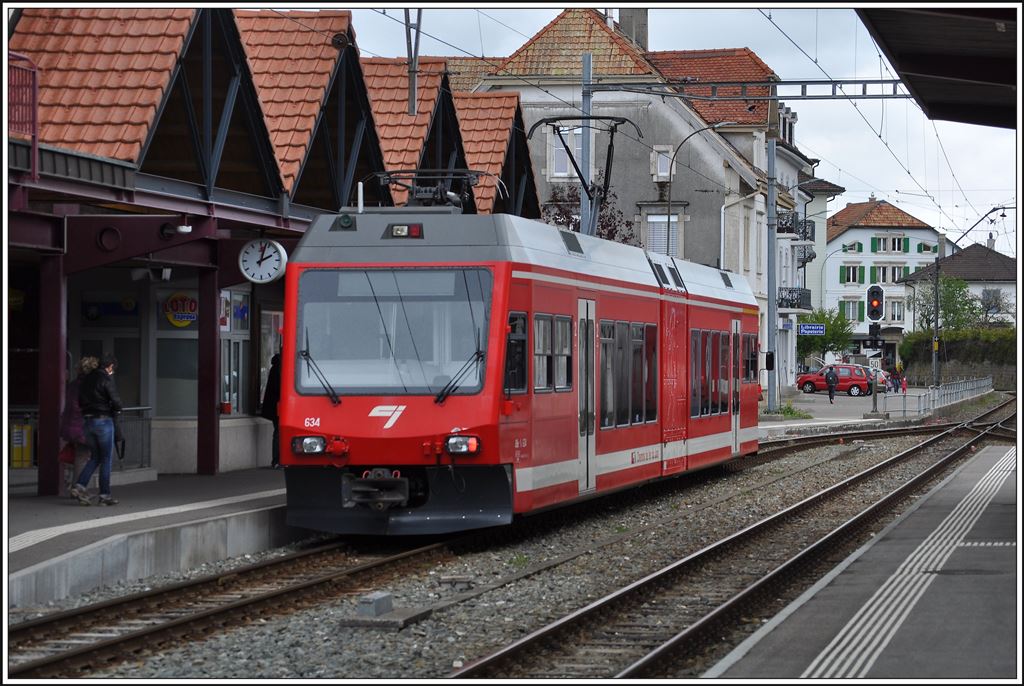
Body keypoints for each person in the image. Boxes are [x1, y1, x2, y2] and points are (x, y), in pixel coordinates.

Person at [70, 353, 123, 506]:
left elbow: (80, 401)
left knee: (95, 457)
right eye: (113, 369)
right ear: (110, 366)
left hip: (87, 422)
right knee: (106, 459)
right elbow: (116, 400)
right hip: (103, 421)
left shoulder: (85, 379)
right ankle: (105, 496)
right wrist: (117, 409)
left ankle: (80, 486)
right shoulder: (106, 378)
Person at [60, 356, 99, 494]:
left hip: (70, 425)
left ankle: (74, 485)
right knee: (82, 457)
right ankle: (79, 488)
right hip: (82, 426)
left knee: (78, 455)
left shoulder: (73, 384)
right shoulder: (90, 386)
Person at [261, 353, 281, 468]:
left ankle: (277, 460)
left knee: (278, 432)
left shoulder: (276, 367)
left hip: (274, 407)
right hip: (278, 407)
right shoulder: (279, 368)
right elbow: (279, 388)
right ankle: (277, 460)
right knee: (278, 433)